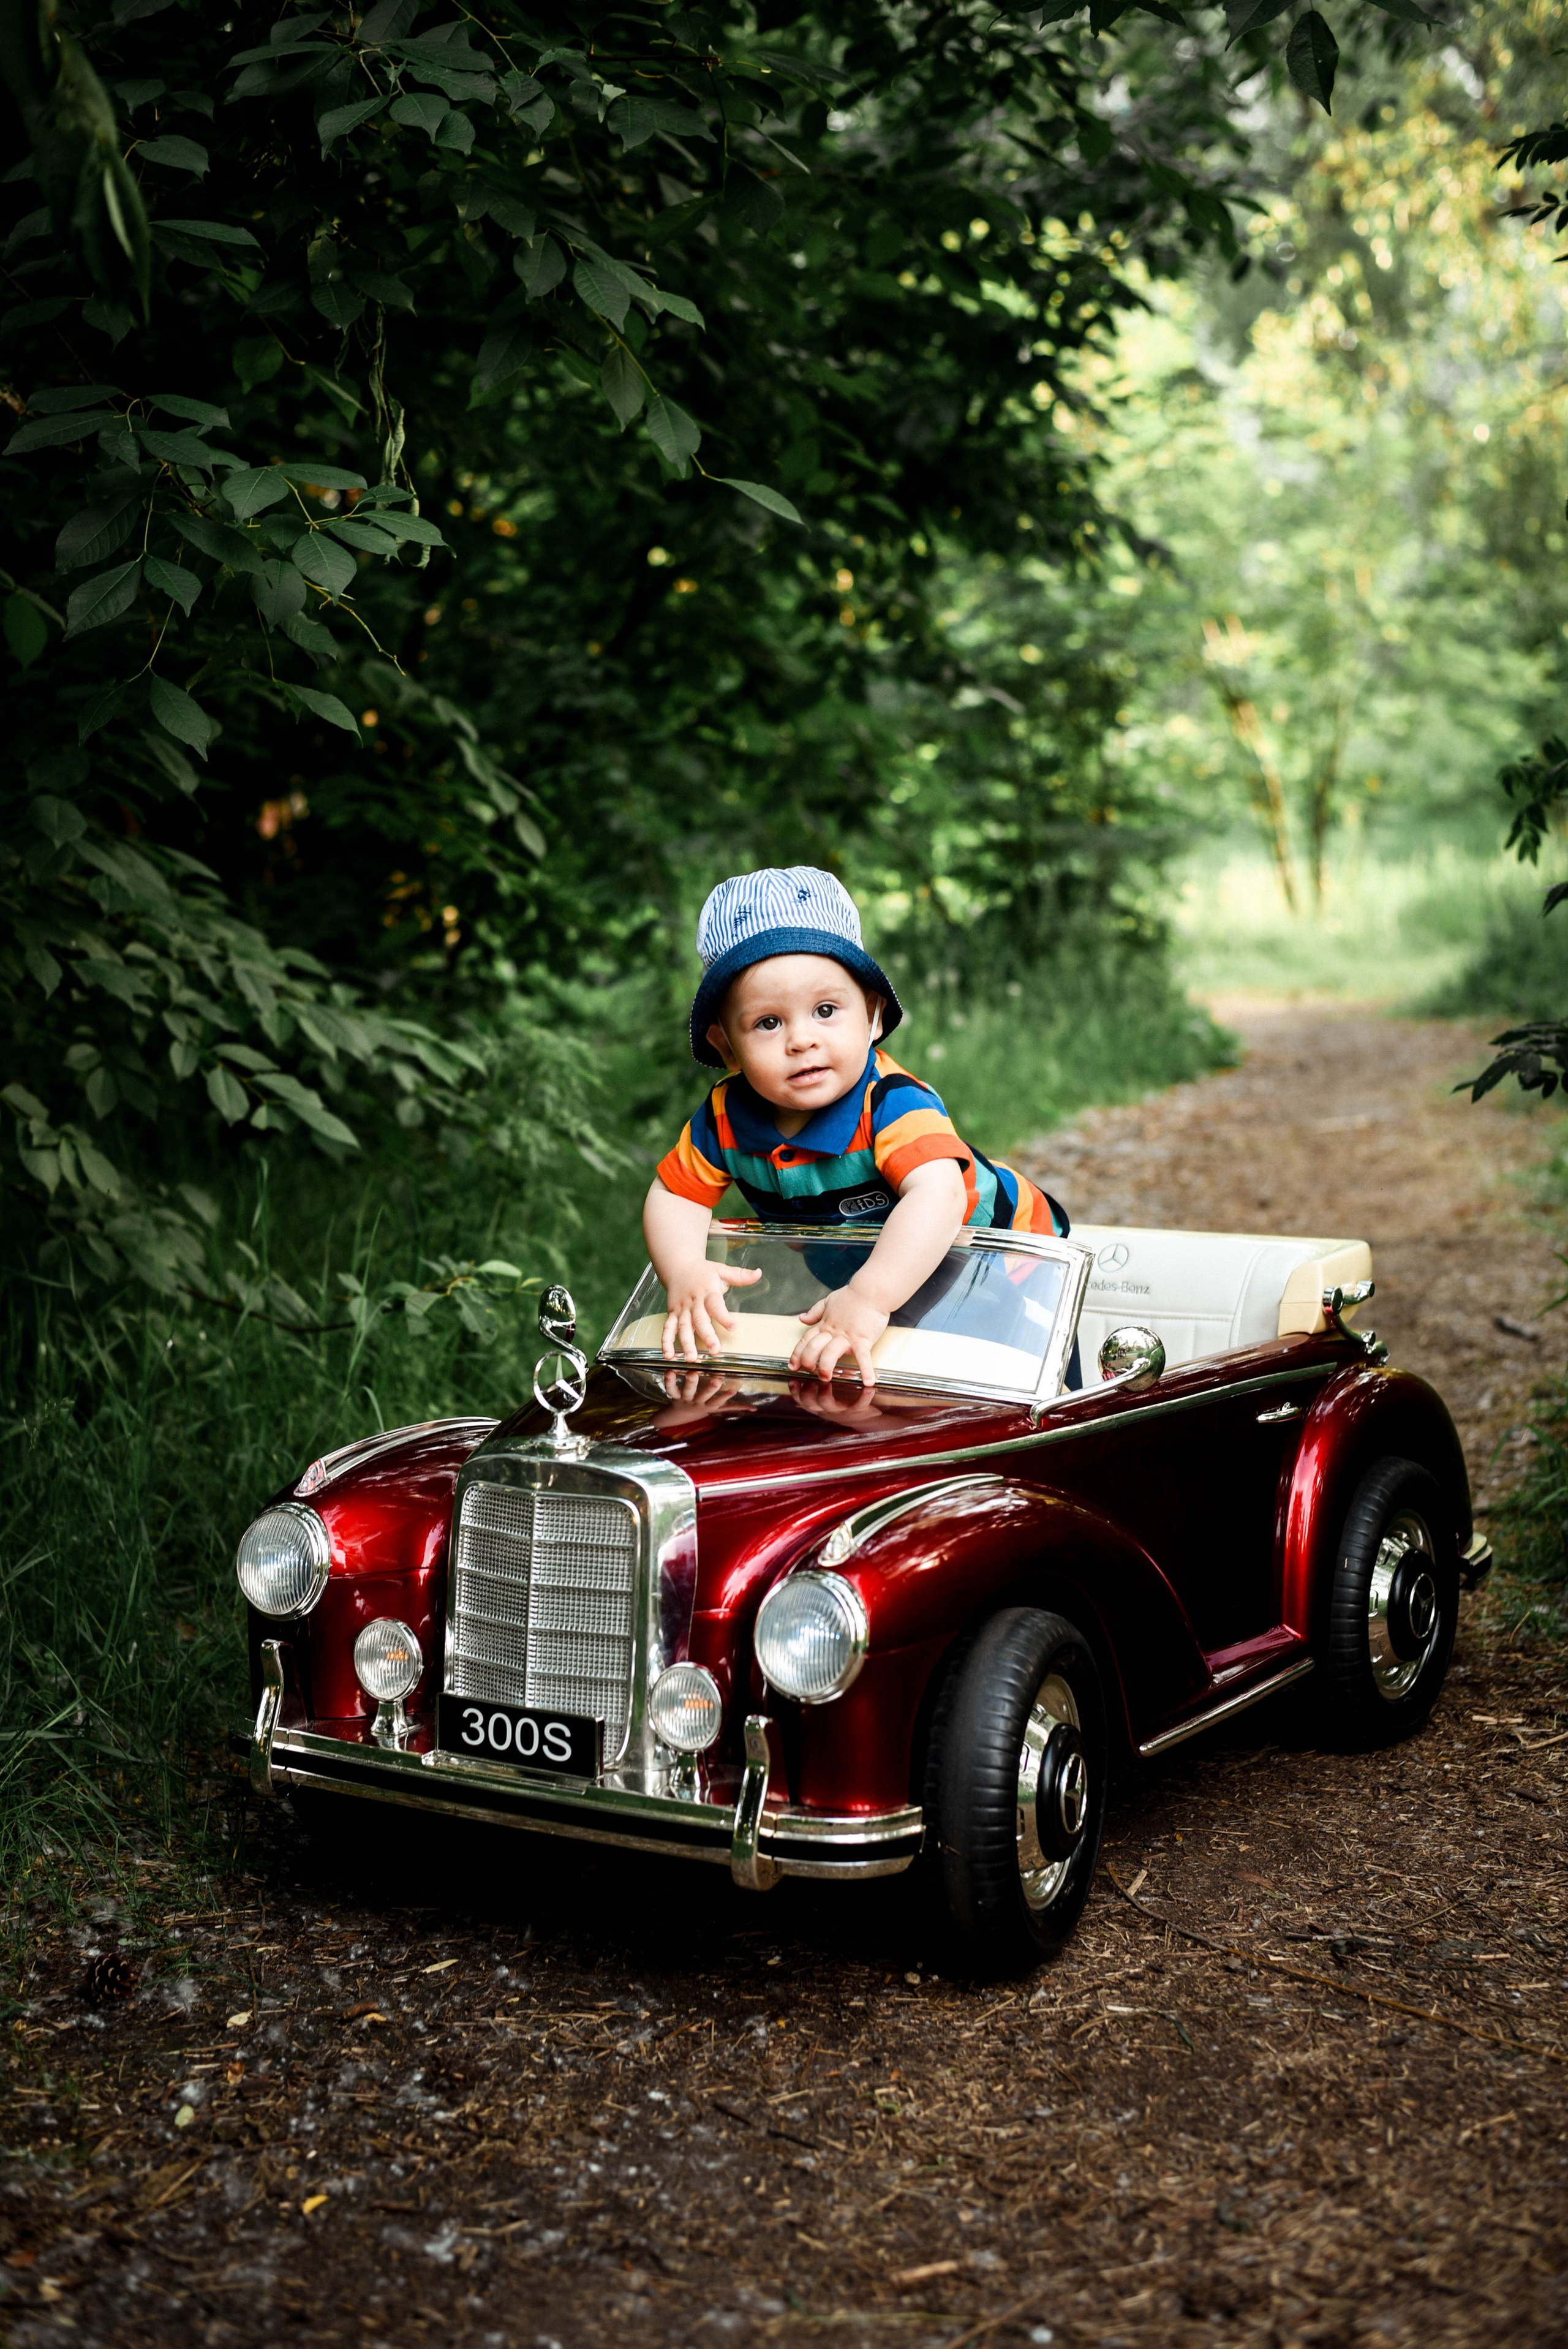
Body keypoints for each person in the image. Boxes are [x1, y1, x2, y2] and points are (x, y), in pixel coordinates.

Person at [644, 865, 1069, 1387]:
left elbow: (937, 1199)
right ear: (726, 1046)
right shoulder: (725, 1117)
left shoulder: (890, 1102)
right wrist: (684, 1269)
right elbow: (675, 1195)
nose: (801, 1040)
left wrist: (869, 1297)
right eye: (768, 1023)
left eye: (825, 1010)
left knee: (1008, 1369)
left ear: (872, 1016)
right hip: (880, 1260)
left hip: (1001, 1253)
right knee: (863, 1366)